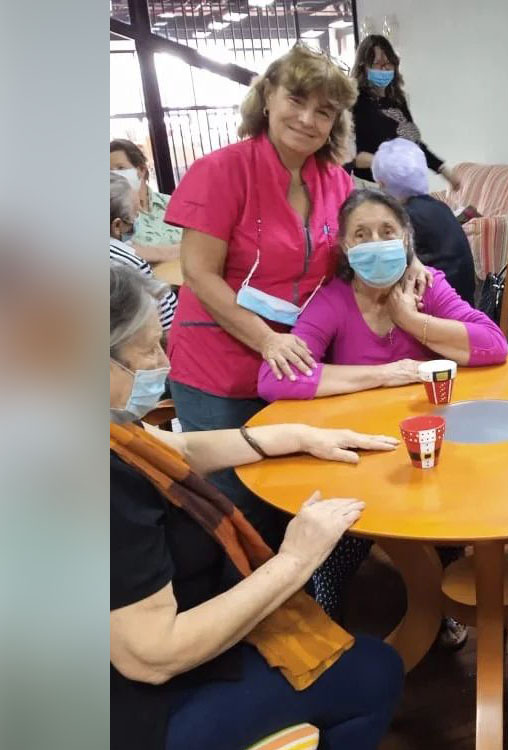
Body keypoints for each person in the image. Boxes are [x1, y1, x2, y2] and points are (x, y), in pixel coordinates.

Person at [109, 265, 404, 750]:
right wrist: (295, 560)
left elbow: (176, 450)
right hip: (140, 715)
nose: (163, 360)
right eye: (149, 348)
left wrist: (297, 437)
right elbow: (152, 656)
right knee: (376, 672)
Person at [162, 43, 432, 549]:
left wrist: (411, 258)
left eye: (325, 111)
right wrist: (266, 340)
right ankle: (248, 614)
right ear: (267, 98)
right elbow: (199, 274)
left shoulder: (333, 180)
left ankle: (306, 602)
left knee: (296, 489)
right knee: (236, 504)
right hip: (221, 363)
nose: (308, 119)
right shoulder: (221, 171)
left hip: (302, 365)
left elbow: (373, 226)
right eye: (297, 100)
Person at [258, 189, 508, 639]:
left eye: (387, 232)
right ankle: (325, 625)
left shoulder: (426, 286)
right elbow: (276, 380)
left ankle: (446, 604)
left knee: (451, 526)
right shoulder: (333, 300)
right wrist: (382, 374)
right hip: (360, 452)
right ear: (346, 249)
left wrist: (412, 321)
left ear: (407, 239)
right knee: (339, 547)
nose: (376, 243)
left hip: (434, 447)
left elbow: (493, 345)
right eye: (362, 234)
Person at [371, 137, 476, 303]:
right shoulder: (440, 207)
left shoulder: (404, 217)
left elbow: (388, 270)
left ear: (383, 184)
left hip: (439, 310)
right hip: (464, 301)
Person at [348, 35, 460, 190]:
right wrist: (383, 162)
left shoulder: (397, 100)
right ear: (363, 67)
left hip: (399, 185)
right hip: (368, 187)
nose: (384, 69)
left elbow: (413, 143)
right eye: (378, 64)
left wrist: (443, 169)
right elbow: (350, 156)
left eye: (388, 63)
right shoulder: (355, 101)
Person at [111, 172, 177, 331]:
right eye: (135, 215)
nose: (138, 220)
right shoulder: (128, 264)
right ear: (117, 226)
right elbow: (166, 322)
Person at [111, 138, 182, 263]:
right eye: (109, 171)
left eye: (120, 168)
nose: (114, 174)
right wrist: (179, 250)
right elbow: (120, 253)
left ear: (141, 170)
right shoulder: (114, 214)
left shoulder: (173, 203)